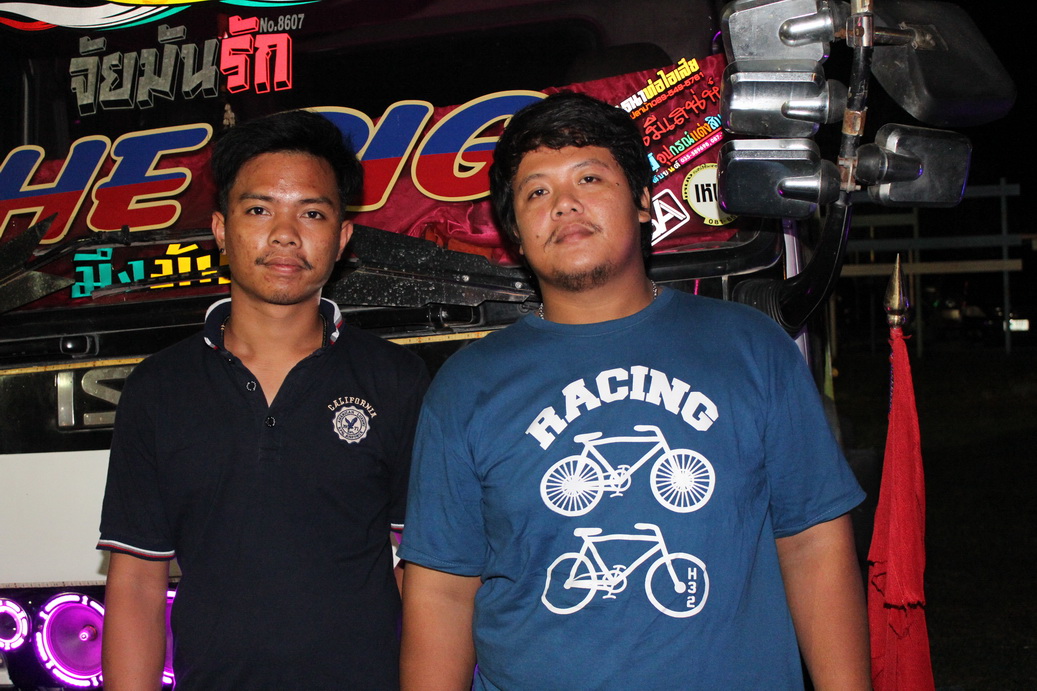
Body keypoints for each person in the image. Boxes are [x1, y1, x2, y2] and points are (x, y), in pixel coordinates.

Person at [398, 92, 870, 690]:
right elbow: (442, 590)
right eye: (536, 192)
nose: (564, 203)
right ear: (514, 232)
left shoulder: (752, 347)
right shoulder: (467, 385)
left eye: (589, 178)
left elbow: (812, 544)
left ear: (644, 201)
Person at [97, 109, 429, 690]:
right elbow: (136, 583)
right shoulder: (158, 388)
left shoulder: (397, 379)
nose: (285, 234)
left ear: (342, 239)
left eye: (312, 213)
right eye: (259, 210)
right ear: (221, 230)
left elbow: (427, 576)